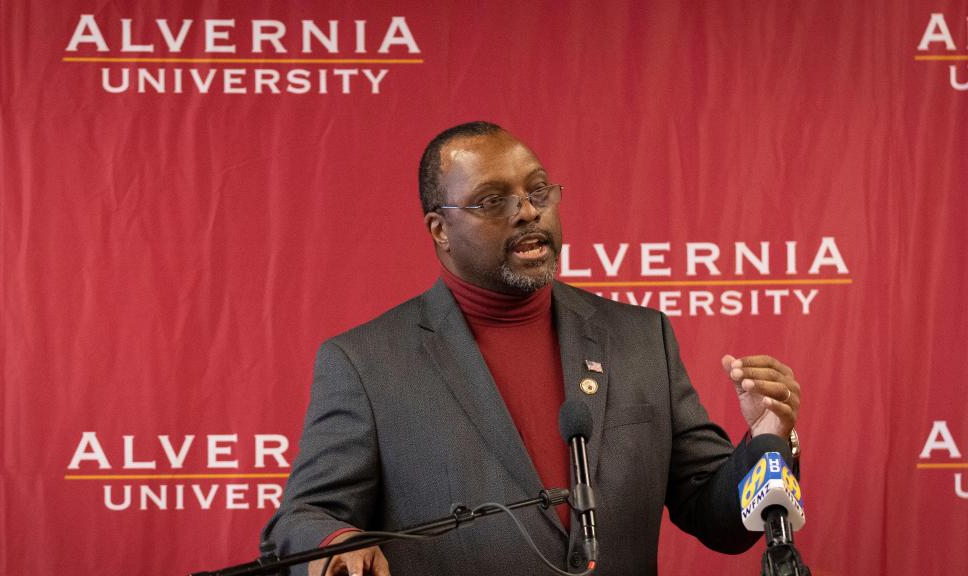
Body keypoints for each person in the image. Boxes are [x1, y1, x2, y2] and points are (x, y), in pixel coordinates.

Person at [261, 121, 802, 576]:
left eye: (538, 191)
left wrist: (765, 442)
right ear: (439, 228)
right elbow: (305, 516)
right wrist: (336, 542)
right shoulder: (367, 363)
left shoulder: (641, 339)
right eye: (493, 200)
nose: (527, 212)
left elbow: (718, 520)